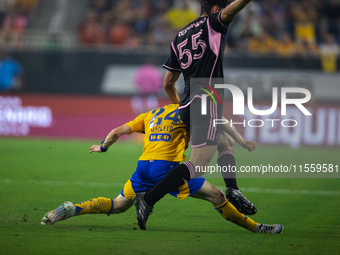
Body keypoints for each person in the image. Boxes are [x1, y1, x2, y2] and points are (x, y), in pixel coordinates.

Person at [41, 103, 283, 234]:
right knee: (216, 195)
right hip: (166, 169)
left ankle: (72, 209)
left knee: (118, 205)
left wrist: (103, 147)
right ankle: (257, 227)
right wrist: (241, 141)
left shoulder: (150, 115)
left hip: (142, 169)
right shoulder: (184, 112)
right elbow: (218, 121)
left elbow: (116, 132)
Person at [135, 0, 255, 229]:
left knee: (226, 141)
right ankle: (148, 199)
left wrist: (182, 110)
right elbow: (232, 10)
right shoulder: (213, 23)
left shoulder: (179, 36)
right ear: (215, 10)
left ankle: (233, 189)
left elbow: (168, 82)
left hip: (187, 102)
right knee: (197, 166)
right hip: (207, 97)